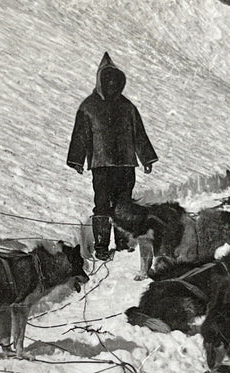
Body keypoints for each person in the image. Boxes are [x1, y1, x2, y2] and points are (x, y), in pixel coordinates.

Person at [67, 52, 158, 260]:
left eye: (114, 80)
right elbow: (80, 135)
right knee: (102, 204)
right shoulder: (88, 107)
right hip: (101, 166)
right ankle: (101, 246)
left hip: (126, 164)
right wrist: (77, 160)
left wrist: (147, 158)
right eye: (107, 79)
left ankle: (123, 242)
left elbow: (139, 134)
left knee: (123, 203)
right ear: (100, 81)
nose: (111, 83)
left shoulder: (128, 107)